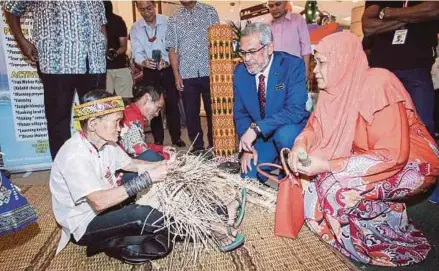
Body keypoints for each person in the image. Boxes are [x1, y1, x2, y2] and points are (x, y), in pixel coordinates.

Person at [288, 32, 439, 266]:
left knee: (332, 187)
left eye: (322, 63)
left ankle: (380, 244)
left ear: (342, 61)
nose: (315, 70)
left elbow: (394, 155)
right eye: (316, 62)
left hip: (414, 163)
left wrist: (330, 166)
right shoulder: (333, 92)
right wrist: (301, 144)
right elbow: (315, 128)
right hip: (368, 158)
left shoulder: (378, 82)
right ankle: (371, 226)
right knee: (311, 183)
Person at [50, 90, 172, 264]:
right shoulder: (74, 155)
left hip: (107, 207)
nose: (121, 127)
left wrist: (164, 166)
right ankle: (111, 241)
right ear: (92, 124)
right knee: (147, 215)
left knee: (138, 174)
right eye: (116, 122)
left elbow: (132, 164)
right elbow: (98, 202)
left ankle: (127, 232)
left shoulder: (106, 143)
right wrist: (147, 178)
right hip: (85, 222)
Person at [3, 1, 107, 159]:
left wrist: (103, 44)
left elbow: (101, 20)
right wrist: (21, 40)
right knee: (59, 121)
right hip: (57, 60)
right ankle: (63, 172)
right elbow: (11, 6)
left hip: (94, 60)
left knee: (97, 117)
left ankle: (98, 166)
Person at [233, 22, 309, 182]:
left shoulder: (292, 65)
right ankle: (272, 159)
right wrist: (248, 147)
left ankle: (289, 169)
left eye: (252, 52)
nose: (247, 59)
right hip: (263, 138)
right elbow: (241, 114)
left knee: (285, 135)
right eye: (243, 52)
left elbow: (296, 111)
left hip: (289, 130)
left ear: (269, 48)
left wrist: (257, 128)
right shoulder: (240, 73)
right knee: (248, 178)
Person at [361, 1, 439, 136]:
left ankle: (420, 158)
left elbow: (433, 9)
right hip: (382, 72)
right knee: (379, 127)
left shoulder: (387, 9)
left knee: (422, 129)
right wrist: (413, 16)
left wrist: (388, 12)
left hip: (417, 69)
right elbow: (368, 26)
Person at [166, 1, 219, 153]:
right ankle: (198, 147)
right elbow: (172, 48)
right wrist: (176, 75)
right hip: (187, 74)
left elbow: (218, 41)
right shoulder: (174, 18)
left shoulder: (209, 11)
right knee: (191, 114)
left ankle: (214, 145)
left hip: (210, 72)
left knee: (213, 112)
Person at [131, 1, 185, 147]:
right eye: (142, 10)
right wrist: (143, 62)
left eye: (149, 8)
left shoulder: (167, 22)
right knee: (153, 105)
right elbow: (136, 52)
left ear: (154, 5)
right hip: (150, 71)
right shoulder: (136, 28)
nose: (146, 12)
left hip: (167, 69)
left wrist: (166, 61)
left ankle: (176, 137)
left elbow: (175, 47)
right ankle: (158, 139)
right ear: (137, 9)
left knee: (172, 104)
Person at [119, 85, 173, 181]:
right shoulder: (132, 118)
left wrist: (160, 148)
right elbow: (139, 152)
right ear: (146, 98)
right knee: (154, 158)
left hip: (124, 165)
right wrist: (166, 158)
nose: (157, 114)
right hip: (120, 175)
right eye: (158, 108)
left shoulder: (132, 112)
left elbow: (138, 145)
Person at [267, 1, 312, 79]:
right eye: (271, 6)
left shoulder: (298, 20)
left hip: (295, 71)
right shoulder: (266, 26)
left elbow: (306, 46)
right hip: (273, 73)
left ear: (285, 3)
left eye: (278, 4)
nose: (274, 8)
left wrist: (306, 69)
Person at [103, 1, 133, 100]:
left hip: (119, 66)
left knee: (125, 100)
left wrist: (114, 53)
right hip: (104, 68)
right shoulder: (95, 22)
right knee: (106, 102)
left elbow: (123, 46)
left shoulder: (117, 21)